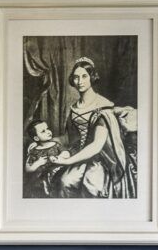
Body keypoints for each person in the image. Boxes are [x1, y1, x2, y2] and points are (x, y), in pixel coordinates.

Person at [50, 57, 137, 199]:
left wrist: (67, 161)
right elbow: (69, 137)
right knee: (65, 182)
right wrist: (50, 142)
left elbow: (97, 145)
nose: (80, 81)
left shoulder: (102, 108)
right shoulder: (75, 108)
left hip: (102, 158)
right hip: (80, 154)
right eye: (76, 77)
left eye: (84, 76)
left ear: (92, 77)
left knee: (91, 186)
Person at [24, 120, 70, 197]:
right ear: (36, 138)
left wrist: (58, 157)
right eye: (43, 131)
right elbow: (28, 169)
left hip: (57, 174)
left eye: (47, 128)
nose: (48, 132)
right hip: (41, 180)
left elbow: (67, 153)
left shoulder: (55, 144)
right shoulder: (34, 150)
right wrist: (38, 163)